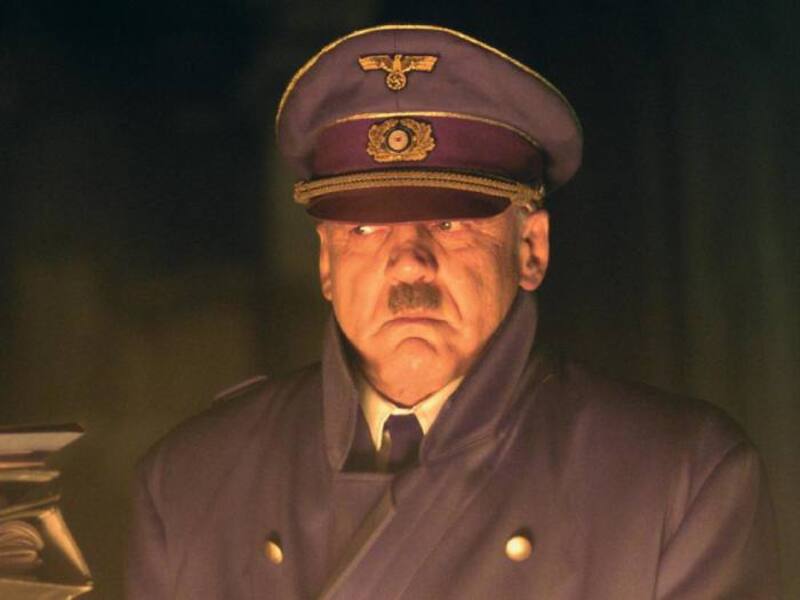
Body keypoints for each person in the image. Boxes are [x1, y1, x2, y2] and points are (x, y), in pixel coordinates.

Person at [126, 25, 780, 599]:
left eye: (449, 222)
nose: (409, 263)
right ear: (325, 263)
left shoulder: (676, 481)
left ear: (530, 248)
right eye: (365, 229)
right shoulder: (191, 485)